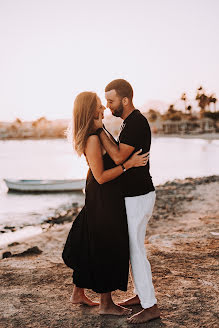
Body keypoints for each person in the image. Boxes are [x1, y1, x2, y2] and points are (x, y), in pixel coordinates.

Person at [62, 91, 149, 316]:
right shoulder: (92, 138)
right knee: (107, 245)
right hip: (103, 195)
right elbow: (100, 177)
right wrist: (128, 165)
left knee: (87, 239)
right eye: (99, 106)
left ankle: (77, 293)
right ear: (89, 111)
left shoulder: (97, 132)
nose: (103, 109)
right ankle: (106, 304)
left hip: (102, 194)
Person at [94, 79, 161, 324]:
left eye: (111, 101)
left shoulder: (135, 123)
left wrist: (99, 130)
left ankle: (150, 306)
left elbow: (120, 155)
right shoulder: (130, 123)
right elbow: (122, 151)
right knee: (136, 249)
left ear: (125, 100)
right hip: (137, 195)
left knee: (135, 250)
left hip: (138, 196)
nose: (108, 105)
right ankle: (141, 295)